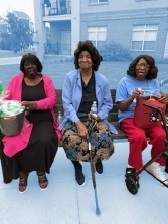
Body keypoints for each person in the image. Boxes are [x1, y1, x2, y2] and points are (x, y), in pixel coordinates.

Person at [0, 53, 61, 193]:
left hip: (43, 119)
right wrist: (18, 108)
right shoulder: (16, 80)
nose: (30, 66)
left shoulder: (46, 80)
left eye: (33, 63)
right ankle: (22, 173)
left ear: (38, 65)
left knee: (44, 140)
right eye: (26, 64)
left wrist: (35, 105)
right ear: (23, 67)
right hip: (21, 121)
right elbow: (7, 100)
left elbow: (52, 99)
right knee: (12, 141)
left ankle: (41, 172)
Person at [60, 40, 118, 186]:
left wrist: (99, 116)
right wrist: (78, 124)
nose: (83, 59)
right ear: (77, 60)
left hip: (95, 117)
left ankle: (96, 159)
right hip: (74, 118)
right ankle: (77, 166)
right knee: (70, 139)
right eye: (80, 56)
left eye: (87, 56)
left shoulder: (102, 80)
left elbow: (107, 103)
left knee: (102, 137)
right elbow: (67, 103)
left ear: (93, 60)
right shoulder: (70, 77)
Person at [116, 54, 168, 186]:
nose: (142, 67)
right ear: (134, 66)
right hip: (129, 117)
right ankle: (133, 166)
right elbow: (121, 107)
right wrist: (131, 97)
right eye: (140, 64)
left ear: (150, 69)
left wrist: (162, 100)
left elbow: (155, 103)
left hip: (148, 118)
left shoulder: (154, 83)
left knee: (162, 135)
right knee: (139, 137)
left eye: (146, 65)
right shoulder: (125, 81)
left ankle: (154, 165)